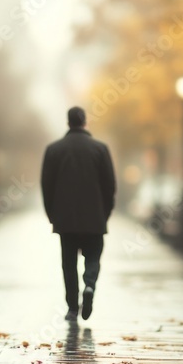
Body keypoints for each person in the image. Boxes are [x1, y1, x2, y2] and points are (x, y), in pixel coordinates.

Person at [41, 107, 116, 321]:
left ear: (68, 123)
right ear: (85, 122)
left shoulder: (53, 150)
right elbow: (110, 185)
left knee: (68, 263)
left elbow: (46, 185)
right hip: (94, 218)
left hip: (66, 220)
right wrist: (105, 213)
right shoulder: (100, 149)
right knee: (93, 257)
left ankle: (72, 307)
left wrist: (52, 215)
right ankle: (90, 284)